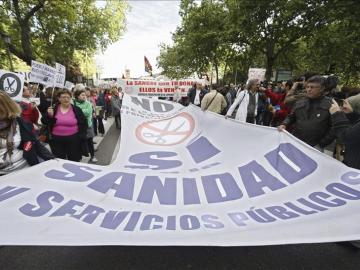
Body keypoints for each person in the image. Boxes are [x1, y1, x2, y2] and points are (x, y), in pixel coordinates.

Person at [0, 92, 54, 175]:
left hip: (23, 171)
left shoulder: (19, 122)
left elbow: (34, 143)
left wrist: (53, 161)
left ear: (5, 107)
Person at [278, 76, 335, 149]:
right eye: (307, 87)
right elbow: (291, 116)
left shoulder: (330, 104)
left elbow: (334, 127)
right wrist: (284, 124)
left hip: (315, 146)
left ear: (322, 88)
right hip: (295, 141)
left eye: (312, 87)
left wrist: (322, 143)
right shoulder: (300, 101)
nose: (309, 89)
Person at [43, 89, 88, 162]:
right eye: (63, 97)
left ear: (71, 98)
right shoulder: (53, 109)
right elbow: (44, 121)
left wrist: (81, 136)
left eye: (68, 97)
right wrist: (49, 115)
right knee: (59, 161)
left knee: (74, 160)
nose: (66, 99)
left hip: (73, 139)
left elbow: (84, 124)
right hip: (56, 140)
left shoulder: (76, 109)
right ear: (59, 98)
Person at [73, 87, 98, 163]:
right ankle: (79, 157)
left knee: (90, 142)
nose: (84, 96)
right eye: (82, 95)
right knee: (79, 142)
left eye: (85, 95)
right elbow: (74, 113)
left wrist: (79, 111)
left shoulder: (88, 103)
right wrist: (82, 111)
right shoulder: (73, 103)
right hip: (78, 127)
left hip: (88, 126)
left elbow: (88, 112)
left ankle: (93, 156)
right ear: (77, 96)